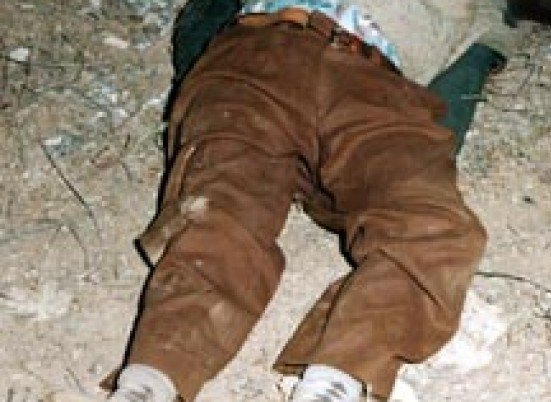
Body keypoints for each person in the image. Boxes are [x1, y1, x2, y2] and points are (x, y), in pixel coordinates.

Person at [53, 1, 521, 401]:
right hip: (259, 56)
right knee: (222, 205)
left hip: (376, 87)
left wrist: (417, 155)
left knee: (431, 224)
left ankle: (336, 379)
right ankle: (152, 379)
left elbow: (480, 55)